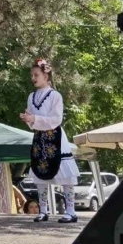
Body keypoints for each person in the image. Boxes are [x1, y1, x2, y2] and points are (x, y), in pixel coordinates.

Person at [21, 58, 79, 224]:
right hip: (39, 137)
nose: (33, 77)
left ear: (46, 76)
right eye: (32, 75)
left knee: (65, 175)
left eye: (36, 74)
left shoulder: (55, 95)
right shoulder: (31, 96)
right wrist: (28, 119)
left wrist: (35, 118)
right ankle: (43, 210)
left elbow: (56, 119)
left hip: (55, 137)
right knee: (40, 173)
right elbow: (33, 122)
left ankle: (70, 210)